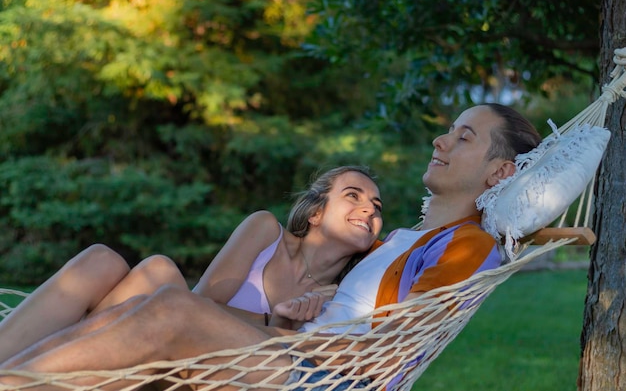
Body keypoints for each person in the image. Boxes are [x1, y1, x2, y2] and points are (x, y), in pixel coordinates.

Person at [0, 103, 542, 390]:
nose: (440, 140)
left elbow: (384, 356)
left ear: (499, 171)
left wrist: (285, 336)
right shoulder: (403, 240)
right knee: (157, 303)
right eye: (449, 129)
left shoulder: (466, 244)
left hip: (325, 381)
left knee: (169, 311)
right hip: (296, 359)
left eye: (464, 136)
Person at [0, 165, 383, 364]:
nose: (369, 208)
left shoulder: (339, 298)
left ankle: (24, 376)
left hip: (185, 368)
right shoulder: (265, 231)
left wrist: (279, 329)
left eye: (377, 207)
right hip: (150, 338)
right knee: (103, 260)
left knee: (160, 273)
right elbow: (197, 305)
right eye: (354, 196)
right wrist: (271, 322)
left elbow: (196, 325)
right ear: (315, 213)